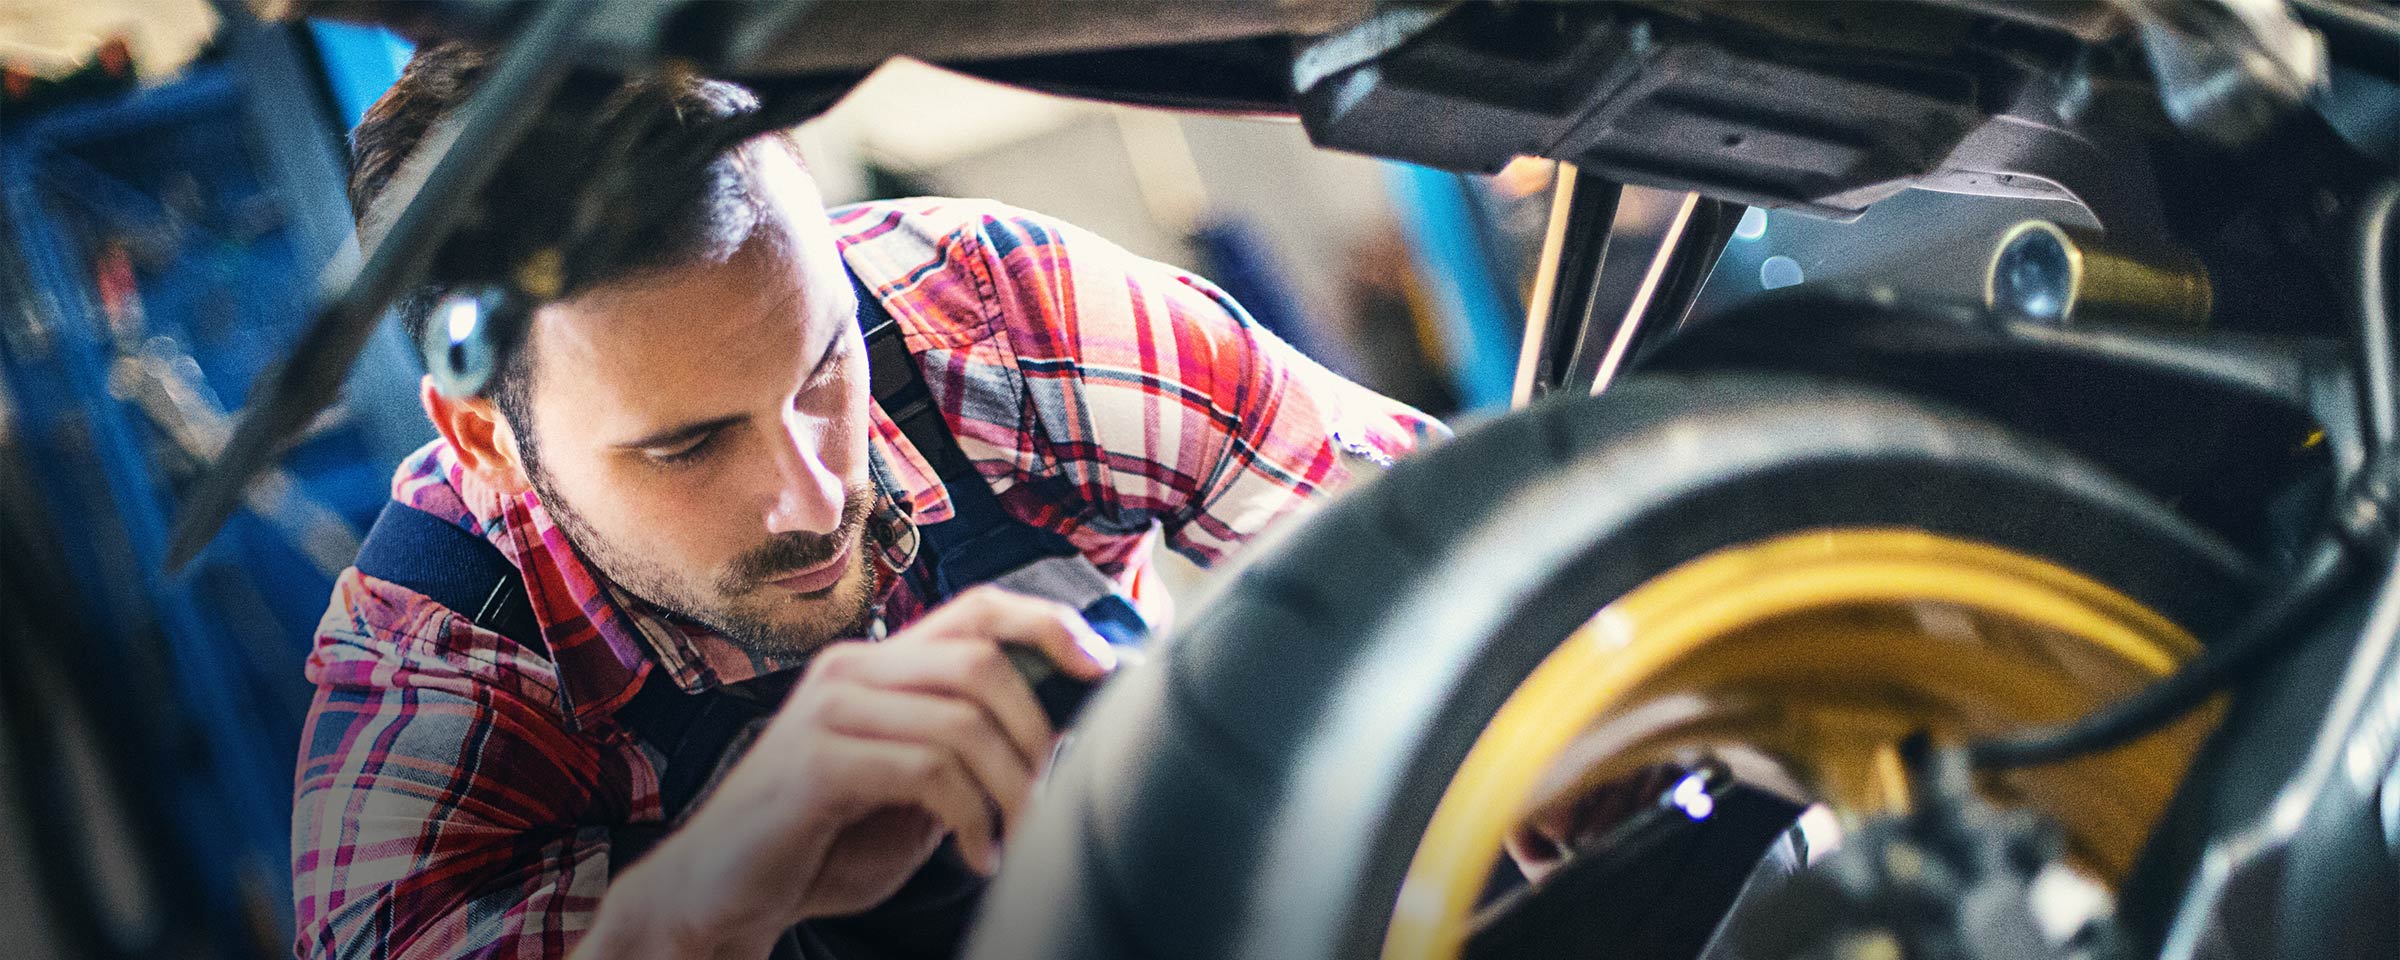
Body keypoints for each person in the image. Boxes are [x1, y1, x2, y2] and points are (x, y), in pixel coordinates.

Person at [288, 42, 1443, 959]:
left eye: (824, 366)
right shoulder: (440, 655)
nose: (813, 492)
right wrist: (700, 905)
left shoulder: (1005, 319)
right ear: (486, 440)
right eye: (688, 447)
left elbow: (1449, 557)